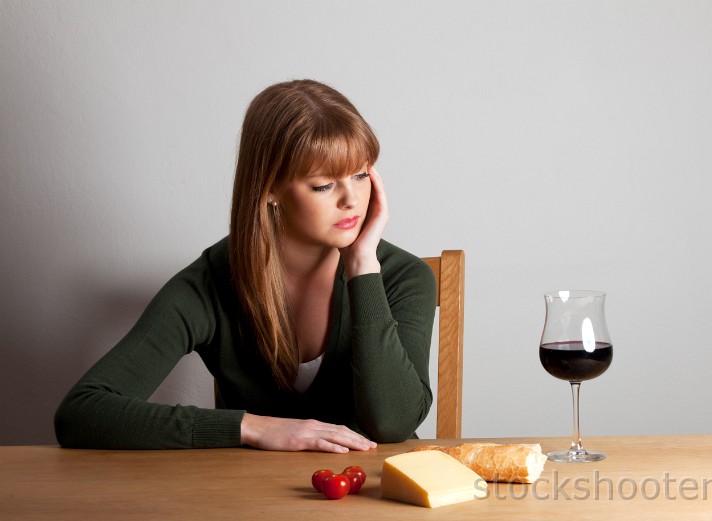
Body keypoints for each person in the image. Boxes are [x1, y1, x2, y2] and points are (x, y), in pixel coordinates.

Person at [54, 79, 437, 453]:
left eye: (360, 174)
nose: (352, 199)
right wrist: (250, 426)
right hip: (247, 506)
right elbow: (83, 412)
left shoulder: (402, 277)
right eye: (323, 185)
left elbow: (392, 424)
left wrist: (363, 267)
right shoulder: (213, 282)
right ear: (270, 189)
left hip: (374, 503)